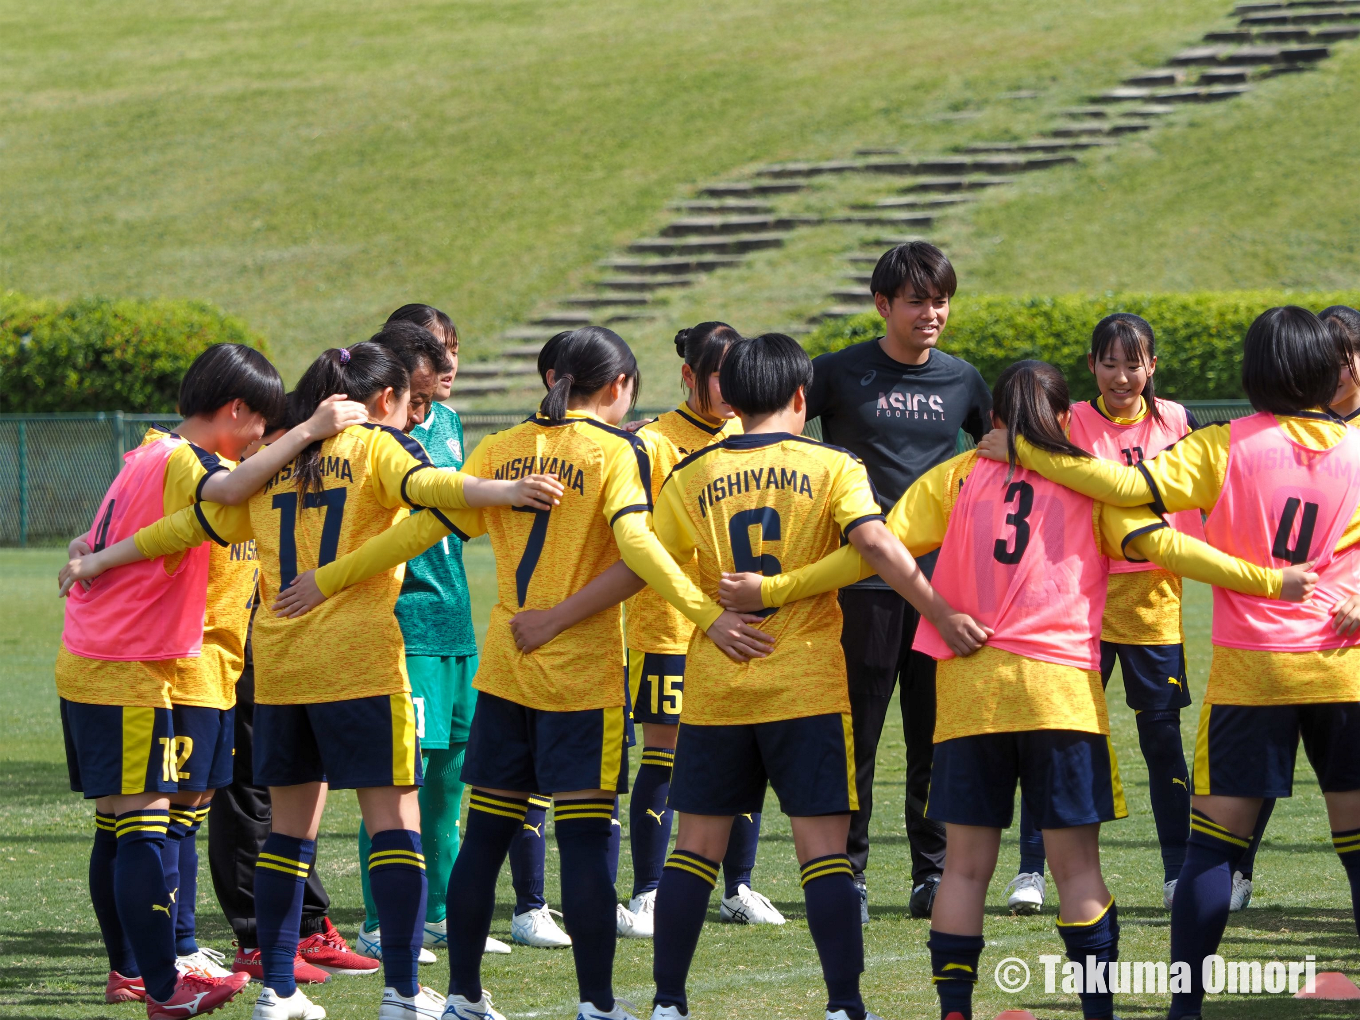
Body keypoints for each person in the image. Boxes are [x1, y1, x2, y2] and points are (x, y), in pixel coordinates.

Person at [726, 358, 1312, 1020]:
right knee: (1079, 874)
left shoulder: (953, 477)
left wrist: (776, 587)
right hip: (1059, 697)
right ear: (1064, 419)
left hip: (971, 699)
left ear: (996, 418)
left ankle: (954, 1012)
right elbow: (1170, 548)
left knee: (967, 871)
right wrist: (1269, 581)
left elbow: (872, 550)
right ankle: (1097, 1013)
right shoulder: (1092, 491)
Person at [65, 337, 565, 1020]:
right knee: (395, 821)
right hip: (359, 663)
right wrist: (506, 490)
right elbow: (432, 490)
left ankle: (276, 990)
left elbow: (182, 527)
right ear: (384, 399)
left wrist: (98, 560)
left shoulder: (275, 464)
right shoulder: (376, 445)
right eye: (405, 404)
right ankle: (401, 991)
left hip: (279, 671)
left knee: (288, 834)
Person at [974, 308, 1360, 1020]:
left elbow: (1125, 494)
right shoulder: (1359, 449)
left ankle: (1184, 1007)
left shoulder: (1224, 444)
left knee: (1213, 847)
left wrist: (1029, 450)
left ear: (1257, 370)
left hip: (1255, 671)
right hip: (1344, 669)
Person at [648, 332, 992, 1020]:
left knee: (694, 850)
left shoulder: (691, 473)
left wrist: (706, 618)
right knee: (824, 852)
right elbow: (874, 546)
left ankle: (667, 1003)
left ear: (730, 397)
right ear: (802, 397)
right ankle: (843, 1005)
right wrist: (939, 609)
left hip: (719, 683)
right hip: (803, 684)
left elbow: (650, 560)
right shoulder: (833, 464)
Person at [55, 343, 317, 1017]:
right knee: (143, 821)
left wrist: (85, 552)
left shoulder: (147, 455)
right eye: (264, 423)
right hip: (135, 665)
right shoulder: (186, 462)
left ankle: (146, 971)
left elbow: (101, 541)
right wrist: (313, 431)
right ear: (236, 409)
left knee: (130, 821)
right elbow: (225, 495)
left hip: (120, 659)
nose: (265, 437)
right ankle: (163, 983)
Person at [805, 240, 992, 920]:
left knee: (935, 739)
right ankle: (847, 873)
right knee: (856, 736)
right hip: (860, 588)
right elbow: (783, 435)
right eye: (917, 301)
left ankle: (931, 874)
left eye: (941, 300)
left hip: (945, 593)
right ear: (883, 305)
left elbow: (999, 449)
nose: (932, 313)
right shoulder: (837, 372)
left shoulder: (964, 380)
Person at [1005, 314, 1204, 915]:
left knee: (1162, 743)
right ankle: (1029, 873)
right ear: (1091, 365)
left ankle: (1178, 872)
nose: (1123, 376)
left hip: (1154, 608)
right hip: (1081, 601)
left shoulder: (1176, 420)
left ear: (1152, 365)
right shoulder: (1070, 422)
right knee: (1059, 738)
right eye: (1110, 363)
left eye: (1134, 362)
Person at [353, 313, 512, 960]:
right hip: (403, 624)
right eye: (434, 358)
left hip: (456, 623)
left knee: (451, 781)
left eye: (452, 351)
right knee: (400, 779)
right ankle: (383, 920)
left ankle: (440, 911)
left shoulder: (447, 424)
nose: (448, 368)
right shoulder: (369, 436)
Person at [621, 321, 782, 938]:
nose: (728, 385)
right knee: (665, 757)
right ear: (689, 376)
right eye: (717, 373)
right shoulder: (654, 442)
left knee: (744, 753)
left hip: (742, 625)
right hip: (670, 625)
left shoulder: (755, 433)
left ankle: (737, 885)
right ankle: (649, 891)